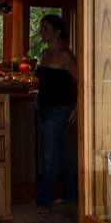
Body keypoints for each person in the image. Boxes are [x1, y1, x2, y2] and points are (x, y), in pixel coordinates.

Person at [34, 14, 77, 211]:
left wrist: (77, 107)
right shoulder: (45, 54)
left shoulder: (64, 55)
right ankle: (72, 195)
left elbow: (81, 80)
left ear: (57, 32)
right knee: (59, 154)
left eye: (45, 29)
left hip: (60, 109)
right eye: (41, 28)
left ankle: (43, 201)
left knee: (51, 157)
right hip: (44, 108)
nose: (42, 32)